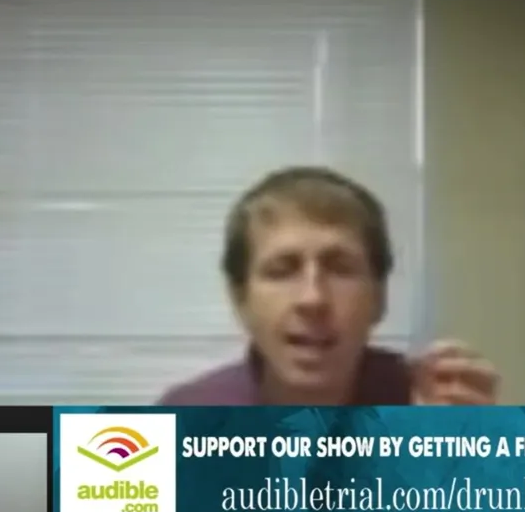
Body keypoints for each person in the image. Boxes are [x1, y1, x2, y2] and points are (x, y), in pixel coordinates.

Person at [157, 166, 499, 406]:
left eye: (341, 269)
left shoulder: (429, 405)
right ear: (239, 298)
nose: (313, 298)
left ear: (379, 297)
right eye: (282, 271)